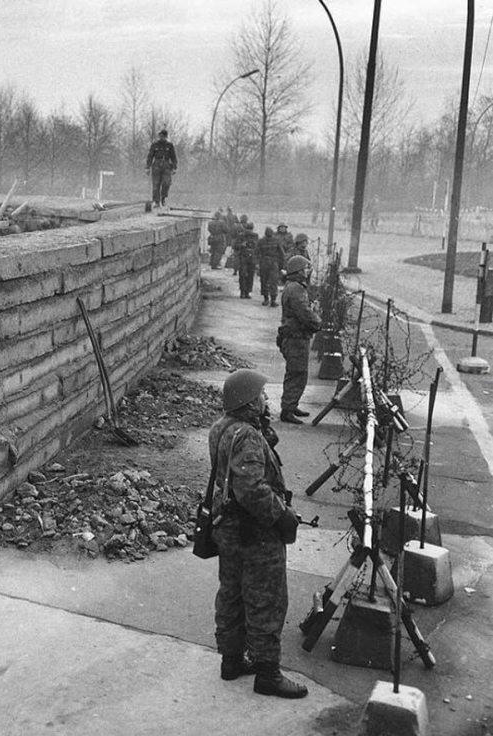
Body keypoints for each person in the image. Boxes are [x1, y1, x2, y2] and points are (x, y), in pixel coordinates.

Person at [209, 369, 306, 699]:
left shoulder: (222, 428)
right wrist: (282, 517)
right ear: (249, 403)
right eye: (261, 396)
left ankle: (232, 660)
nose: (267, 399)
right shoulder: (247, 436)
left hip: (228, 530)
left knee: (232, 594)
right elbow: (250, 488)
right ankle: (267, 673)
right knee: (266, 600)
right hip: (255, 534)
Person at [278, 255, 322, 424]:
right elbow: (304, 313)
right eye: (304, 268)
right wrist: (317, 323)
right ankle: (287, 410)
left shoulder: (293, 286)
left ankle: (291, 405)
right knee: (297, 374)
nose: (307, 271)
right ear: (298, 271)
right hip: (296, 338)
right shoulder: (296, 289)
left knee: (297, 373)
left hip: (294, 336)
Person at [145, 129, 177, 209]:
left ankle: (163, 198)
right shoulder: (154, 145)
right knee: (156, 184)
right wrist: (147, 167)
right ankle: (156, 201)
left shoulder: (169, 145)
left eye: (163, 136)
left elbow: (173, 157)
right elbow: (150, 156)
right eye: (160, 136)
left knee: (166, 183)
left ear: (166, 137)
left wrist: (174, 167)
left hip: (166, 165)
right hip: (156, 165)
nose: (161, 138)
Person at [256, 226, 285, 307]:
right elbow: (282, 253)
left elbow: (257, 253)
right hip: (273, 262)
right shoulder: (277, 240)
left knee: (264, 281)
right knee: (273, 281)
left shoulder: (261, 241)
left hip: (264, 262)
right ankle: (272, 300)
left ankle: (266, 299)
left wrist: (257, 263)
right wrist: (281, 265)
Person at [237, 222, 258, 299]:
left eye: (250, 229)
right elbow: (235, 246)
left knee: (250, 275)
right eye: (248, 229)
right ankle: (243, 291)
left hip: (251, 256)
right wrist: (241, 245)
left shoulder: (255, 236)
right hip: (243, 256)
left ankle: (247, 292)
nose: (249, 231)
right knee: (243, 274)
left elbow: (257, 247)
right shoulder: (241, 236)